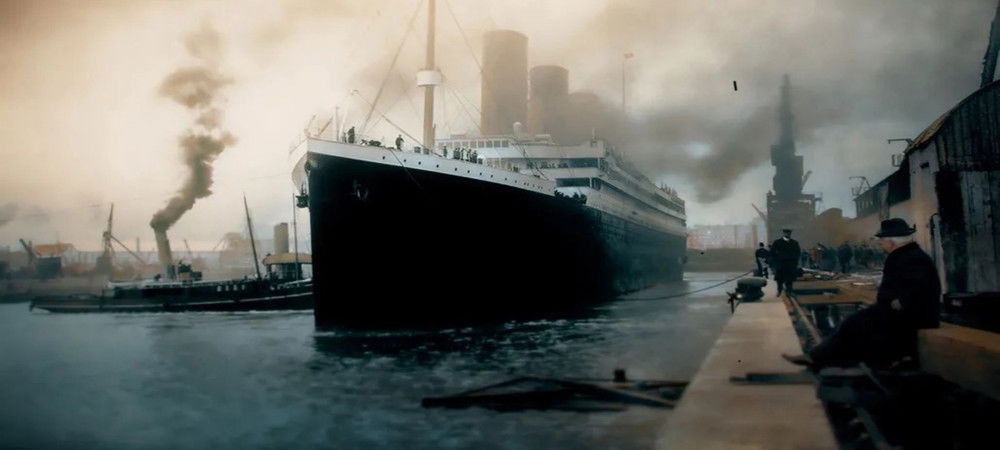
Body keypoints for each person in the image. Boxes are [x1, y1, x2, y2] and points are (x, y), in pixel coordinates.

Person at [782, 218, 941, 369]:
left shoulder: (911, 257)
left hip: (912, 315)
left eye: (882, 241)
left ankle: (822, 358)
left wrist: (901, 302)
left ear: (891, 241)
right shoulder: (907, 255)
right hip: (903, 312)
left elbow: (918, 287)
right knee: (854, 323)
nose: (881, 244)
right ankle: (822, 358)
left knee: (856, 324)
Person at [770, 228, 801, 297]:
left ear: (790, 234)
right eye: (786, 233)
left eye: (788, 233)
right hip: (781, 264)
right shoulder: (777, 242)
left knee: (790, 279)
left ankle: (790, 291)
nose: (787, 234)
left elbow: (798, 253)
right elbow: (772, 253)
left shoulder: (794, 243)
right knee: (779, 279)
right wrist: (775, 262)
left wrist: (795, 262)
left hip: (790, 264)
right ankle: (779, 291)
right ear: (783, 233)